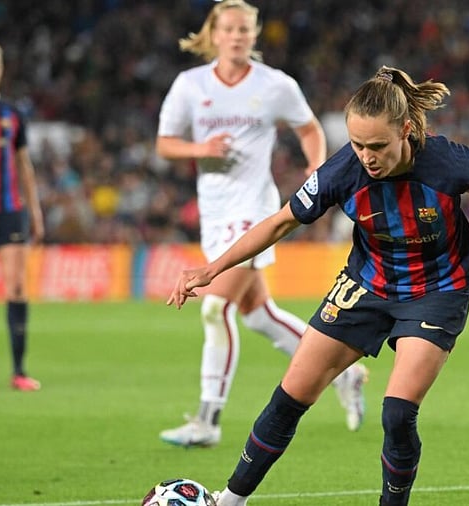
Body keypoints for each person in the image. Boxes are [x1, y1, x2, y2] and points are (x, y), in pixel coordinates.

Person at [166, 65, 469, 506]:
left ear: (406, 131)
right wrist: (213, 269)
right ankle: (230, 500)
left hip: (437, 291)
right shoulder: (343, 169)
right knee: (291, 395)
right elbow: (282, 220)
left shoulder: (446, 162)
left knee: (397, 414)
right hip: (367, 284)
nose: (367, 156)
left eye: (378, 145)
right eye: (359, 144)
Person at [155, 0, 367, 446]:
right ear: (214, 33)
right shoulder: (189, 86)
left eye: (245, 30)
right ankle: (345, 375)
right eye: (229, 29)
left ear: (254, 35)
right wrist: (202, 150)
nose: (237, 36)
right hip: (214, 213)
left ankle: (207, 420)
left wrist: (315, 168)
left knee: (216, 307)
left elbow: (309, 128)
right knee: (259, 315)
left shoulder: (275, 85)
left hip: (254, 209)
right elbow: (165, 144)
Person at [0, 40, 44, 392]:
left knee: (18, 287)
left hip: (10, 210)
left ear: (1, 69)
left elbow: (24, 166)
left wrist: (35, 210)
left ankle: (19, 371)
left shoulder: (12, 113)